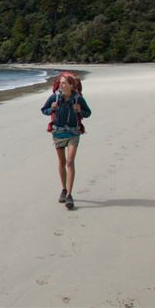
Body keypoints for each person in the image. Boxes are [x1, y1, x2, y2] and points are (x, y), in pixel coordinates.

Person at [41, 73, 91, 210]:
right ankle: (63, 189)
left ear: (71, 85)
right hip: (58, 133)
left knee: (70, 162)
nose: (61, 85)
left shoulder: (78, 99)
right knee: (62, 162)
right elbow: (43, 110)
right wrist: (52, 108)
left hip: (74, 133)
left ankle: (69, 195)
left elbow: (88, 113)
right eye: (60, 83)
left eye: (64, 83)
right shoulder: (54, 97)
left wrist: (80, 111)